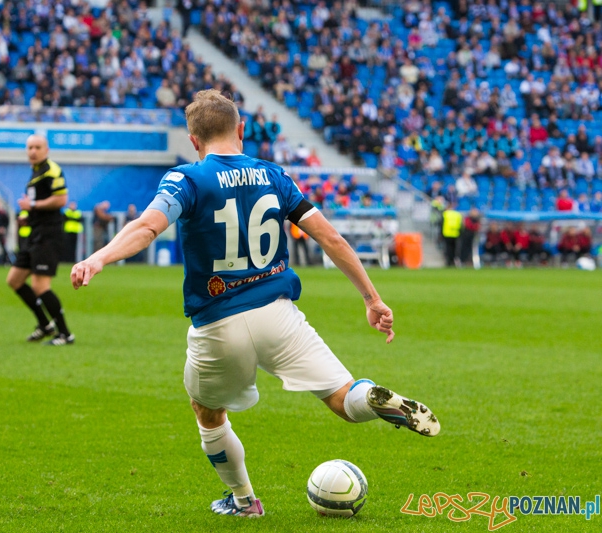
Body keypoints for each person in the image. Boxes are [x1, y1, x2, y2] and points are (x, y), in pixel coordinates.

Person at [70, 90, 440, 518]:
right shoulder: (275, 175)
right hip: (278, 314)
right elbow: (331, 238)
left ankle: (245, 502)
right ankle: (369, 396)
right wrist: (372, 298)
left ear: (193, 140)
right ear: (241, 129)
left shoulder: (186, 179)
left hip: (218, 324)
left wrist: (98, 258)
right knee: (342, 397)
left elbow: (147, 227)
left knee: (207, 412)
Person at [5, 134, 74, 346]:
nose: (33, 151)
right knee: (14, 280)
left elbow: (62, 199)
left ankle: (64, 333)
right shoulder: (35, 171)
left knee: (40, 286)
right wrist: (27, 215)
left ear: (46, 150)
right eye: (29, 148)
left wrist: (33, 207)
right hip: (35, 233)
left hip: (49, 235)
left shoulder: (52, 170)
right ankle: (45, 325)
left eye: (37, 147)